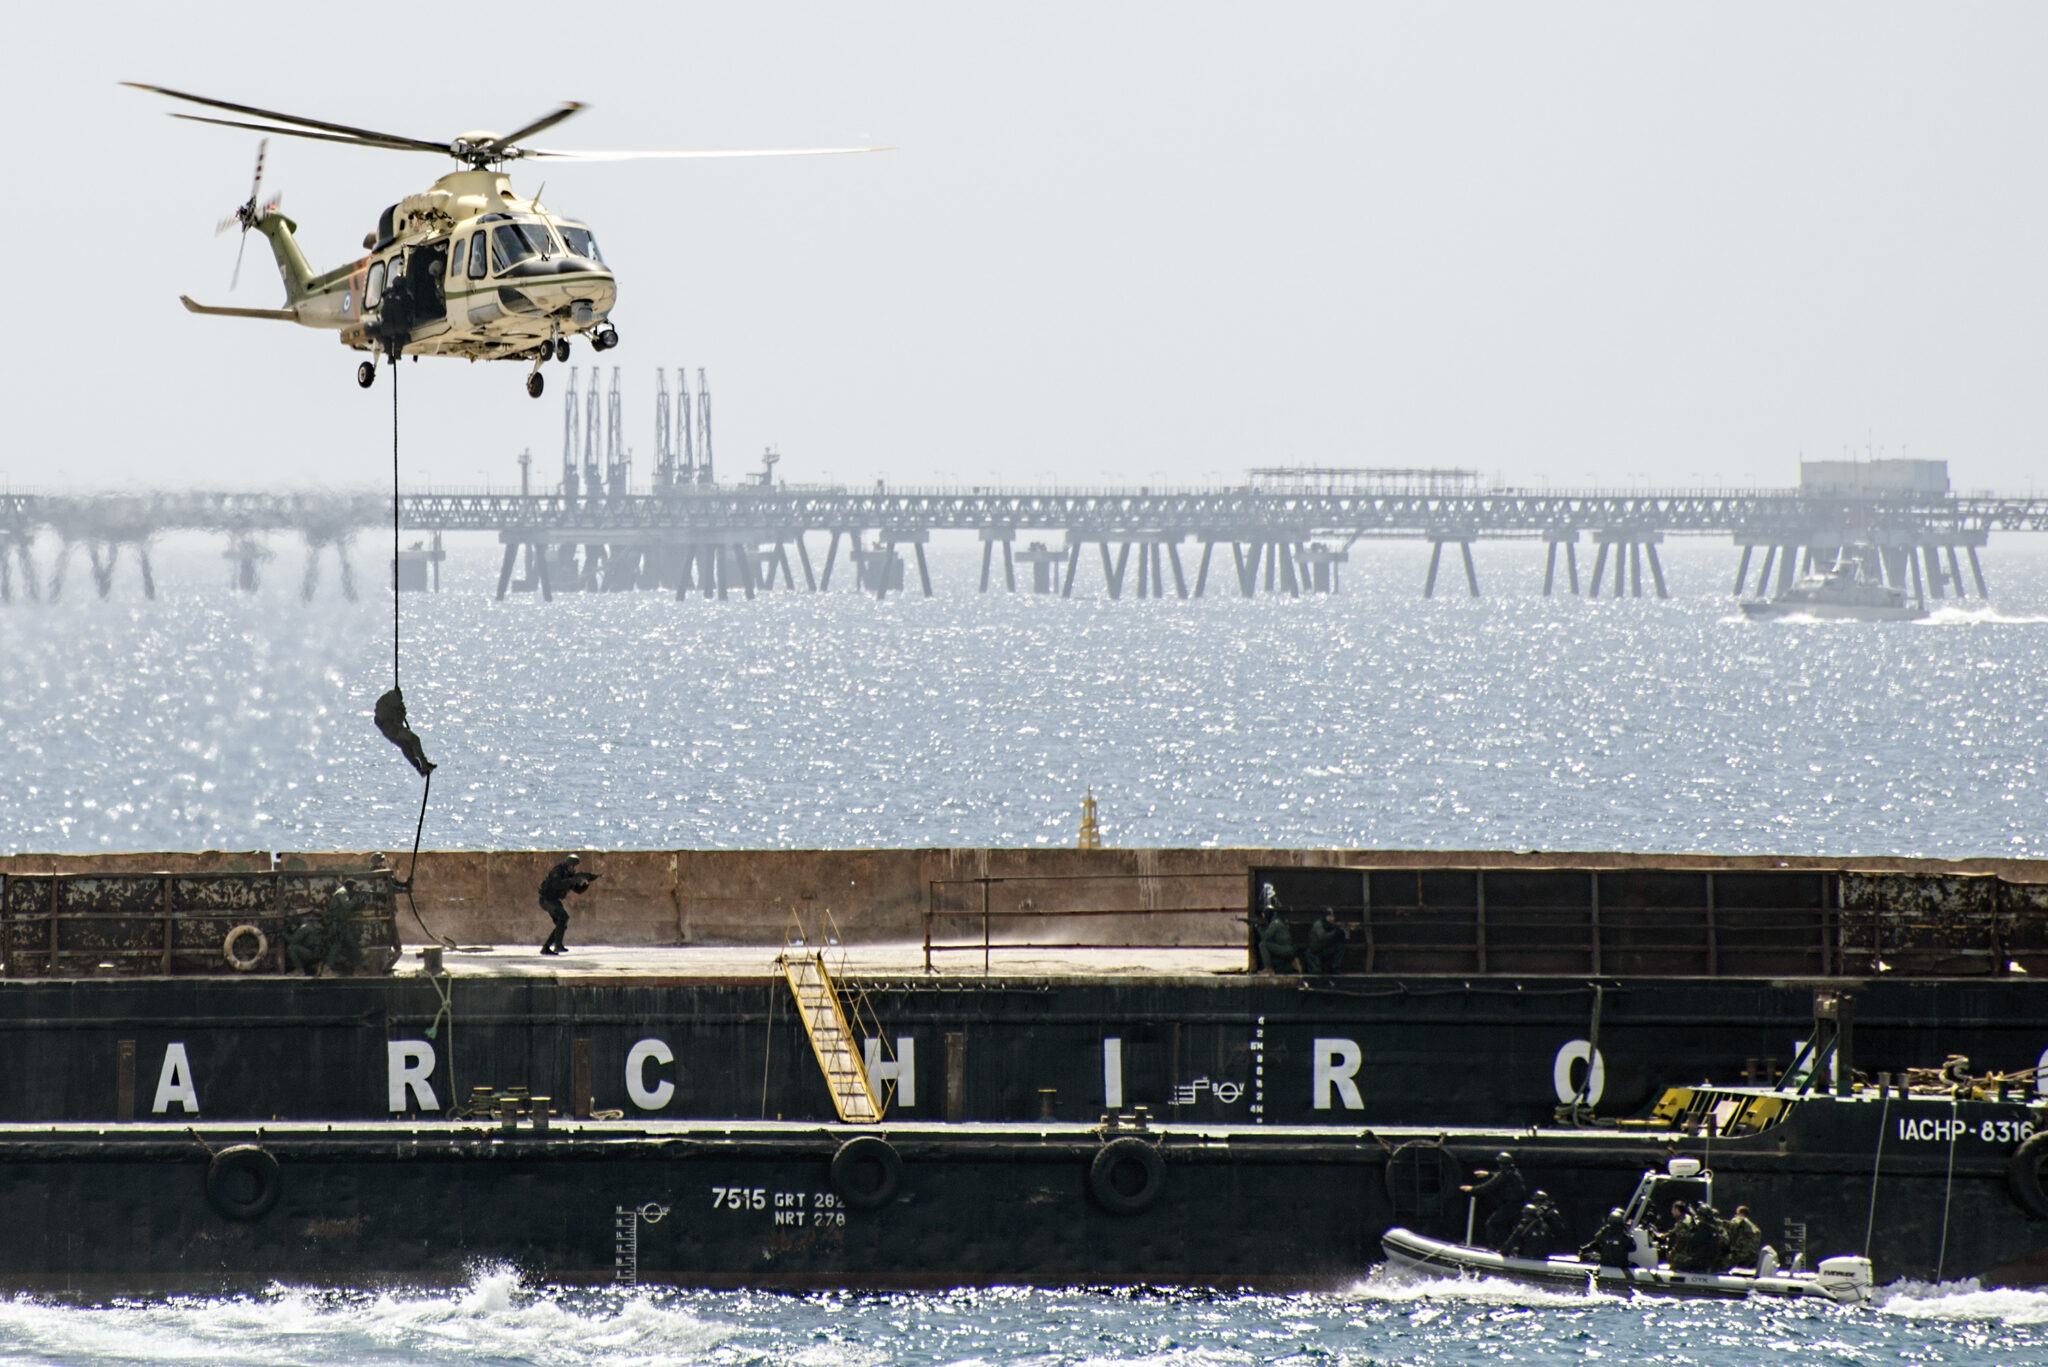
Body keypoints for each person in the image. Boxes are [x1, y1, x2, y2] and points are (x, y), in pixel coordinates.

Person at [1461, 1151, 1527, 1250]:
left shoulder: (1505, 1175)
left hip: (1511, 1205)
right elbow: (1499, 1176)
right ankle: (1506, 1246)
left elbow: (1488, 1186)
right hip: (1516, 1205)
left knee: (1492, 1223)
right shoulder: (1513, 1172)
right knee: (1506, 1225)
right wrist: (1488, 1174)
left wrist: (1472, 1189)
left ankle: (1494, 1246)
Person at [538, 853, 598, 956]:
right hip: (546, 899)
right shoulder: (557, 871)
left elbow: (578, 890)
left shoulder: (570, 875)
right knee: (563, 917)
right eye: (573, 866)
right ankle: (558, 945)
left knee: (562, 924)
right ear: (569, 865)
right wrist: (572, 880)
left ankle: (546, 948)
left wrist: (586, 883)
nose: (574, 869)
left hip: (554, 900)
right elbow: (556, 884)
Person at [374, 686, 436, 778]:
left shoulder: (386, 704)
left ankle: (419, 768)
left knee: (406, 746)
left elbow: (398, 717)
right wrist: (401, 711)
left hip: (390, 731)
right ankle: (423, 764)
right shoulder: (385, 703)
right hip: (393, 729)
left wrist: (400, 711)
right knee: (414, 739)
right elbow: (397, 718)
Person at [1505, 1191, 1568, 1259]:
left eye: (1539, 1201)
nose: (1537, 1204)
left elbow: (1558, 1231)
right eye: (1535, 1201)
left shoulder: (1551, 1213)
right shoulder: (1534, 1214)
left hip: (1547, 1244)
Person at [323, 878, 361, 975]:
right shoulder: (342, 893)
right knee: (336, 946)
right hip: (338, 924)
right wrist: (356, 897)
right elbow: (347, 905)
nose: (356, 889)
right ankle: (327, 969)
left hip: (342, 924)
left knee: (352, 944)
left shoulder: (344, 892)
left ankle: (358, 967)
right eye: (355, 887)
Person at [1303, 910, 1349, 974]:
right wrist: (1335, 932)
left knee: (1340, 947)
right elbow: (1322, 937)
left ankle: (1335, 967)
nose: (1331, 919)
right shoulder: (1318, 925)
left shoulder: (1332, 925)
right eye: (1329, 916)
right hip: (1315, 952)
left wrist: (1342, 932)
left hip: (1324, 950)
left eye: (1332, 917)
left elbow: (1346, 937)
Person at [1257, 908, 1300, 974]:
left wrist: (1258, 927)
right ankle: (1291, 964)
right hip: (1287, 948)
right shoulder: (1277, 922)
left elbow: (1265, 937)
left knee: (1263, 945)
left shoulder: (1275, 924)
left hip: (1285, 949)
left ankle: (1269, 969)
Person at [1724, 1205, 1762, 1270]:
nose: (1735, 1216)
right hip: (1751, 1258)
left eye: (1737, 1213)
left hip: (1740, 1255)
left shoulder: (1740, 1220)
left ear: (1741, 1214)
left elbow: (1731, 1225)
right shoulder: (1754, 1227)